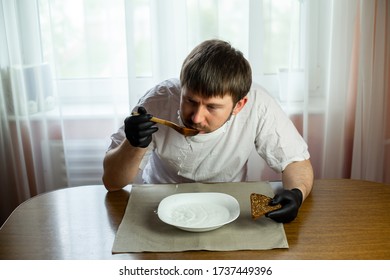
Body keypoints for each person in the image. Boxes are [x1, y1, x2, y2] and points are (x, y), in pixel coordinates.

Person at [102, 39, 314, 223]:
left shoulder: (259, 104)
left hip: (228, 206)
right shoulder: (157, 101)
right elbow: (112, 182)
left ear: (239, 105)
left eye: (211, 107)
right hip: (160, 203)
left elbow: (295, 161)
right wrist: (133, 144)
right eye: (190, 101)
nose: (196, 117)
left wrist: (296, 194)